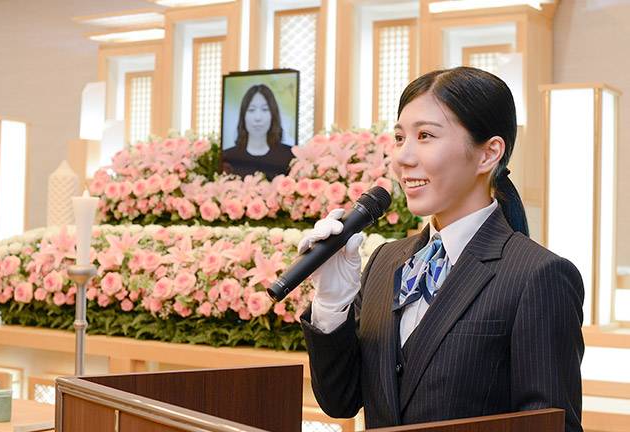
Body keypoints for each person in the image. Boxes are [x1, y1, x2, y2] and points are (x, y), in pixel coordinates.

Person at [299, 67, 584, 431]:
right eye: (400, 137)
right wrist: (330, 302)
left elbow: (550, 426)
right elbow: (341, 401)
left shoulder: (537, 275)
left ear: (488, 154)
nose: (403, 157)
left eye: (426, 136)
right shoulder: (386, 262)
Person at [222, 84, 294, 179]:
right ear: (243, 116)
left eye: (265, 109)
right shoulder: (228, 157)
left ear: (273, 115)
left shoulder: (289, 156)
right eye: (251, 110)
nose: (258, 117)